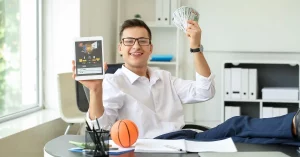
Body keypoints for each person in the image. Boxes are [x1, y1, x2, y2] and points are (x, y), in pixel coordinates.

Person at [72, 19, 300, 146]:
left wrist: (195, 47)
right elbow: (99, 129)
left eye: (142, 41)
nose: (136, 46)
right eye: (129, 41)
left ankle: (295, 137)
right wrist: (95, 89)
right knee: (236, 125)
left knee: (241, 138)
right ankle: (294, 124)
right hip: (153, 148)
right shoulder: (113, 82)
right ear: (120, 48)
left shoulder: (164, 77)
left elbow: (205, 91)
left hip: (183, 139)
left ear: (151, 48)